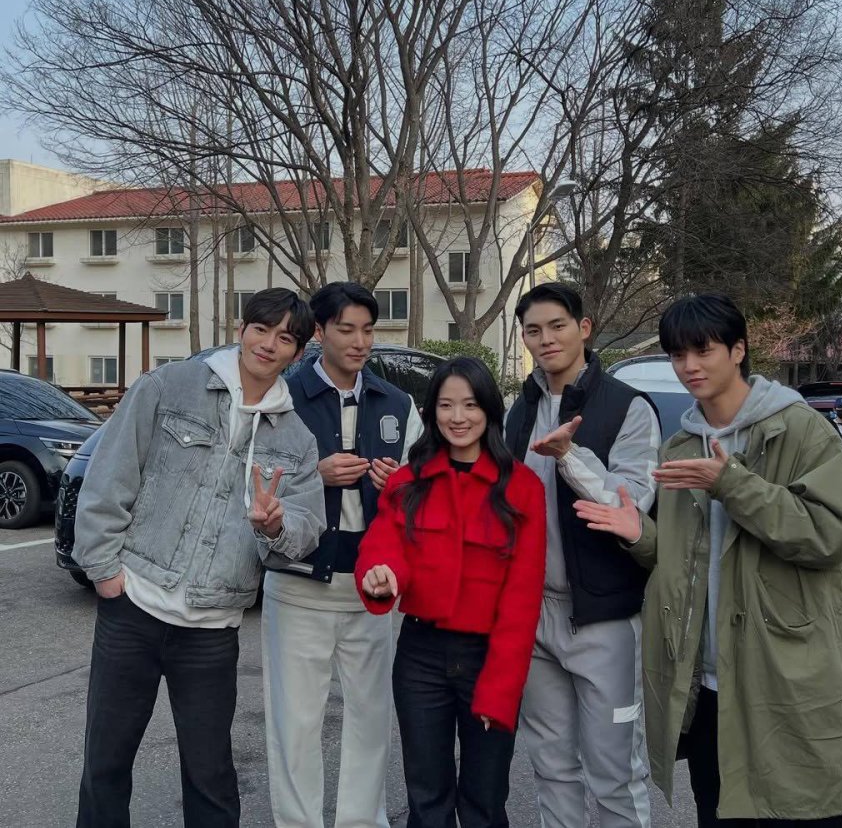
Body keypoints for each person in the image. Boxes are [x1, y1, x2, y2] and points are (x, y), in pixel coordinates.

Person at [574, 292, 842, 827]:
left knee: (805, 811)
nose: (689, 366)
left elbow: (829, 538)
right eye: (678, 354)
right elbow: (683, 561)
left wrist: (731, 483)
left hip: (787, 680)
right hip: (709, 687)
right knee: (720, 812)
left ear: (739, 350)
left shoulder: (799, 430)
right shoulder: (682, 445)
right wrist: (640, 535)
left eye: (703, 350)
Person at [72, 288, 327, 828]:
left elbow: (308, 527)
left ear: (298, 352)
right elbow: (111, 475)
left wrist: (276, 525)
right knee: (106, 761)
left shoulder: (298, 439)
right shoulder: (170, 385)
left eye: (285, 338)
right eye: (262, 329)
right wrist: (105, 572)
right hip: (134, 605)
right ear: (242, 329)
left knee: (210, 774)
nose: (269, 344)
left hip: (212, 627)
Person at [355, 356, 546, 828]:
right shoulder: (409, 480)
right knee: (427, 796)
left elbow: (522, 601)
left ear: (489, 410)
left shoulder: (522, 488)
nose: (458, 417)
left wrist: (500, 690)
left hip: (488, 658)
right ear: (431, 412)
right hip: (421, 656)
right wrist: (380, 574)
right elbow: (384, 542)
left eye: (470, 405)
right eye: (445, 405)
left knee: (484, 800)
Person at [262, 281, 422, 828]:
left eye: (368, 330)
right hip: (298, 581)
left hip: (370, 585)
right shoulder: (282, 397)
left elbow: (422, 490)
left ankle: (363, 821)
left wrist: (399, 484)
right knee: (295, 722)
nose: (360, 342)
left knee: (371, 720)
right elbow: (252, 478)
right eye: (347, 329)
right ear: (320, 331)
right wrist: (315, 474)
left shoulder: (397, 403)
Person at [505, 282, 660, 828]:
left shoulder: (627, 406)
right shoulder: (520, 410)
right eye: (533, 331)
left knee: (615, 772)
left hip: (604, 616)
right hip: (535, 613)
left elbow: (633, 502)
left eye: (557, 326)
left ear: (584, 328)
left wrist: (570, 455)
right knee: (551, 767)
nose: (545, 339)